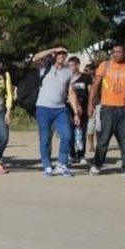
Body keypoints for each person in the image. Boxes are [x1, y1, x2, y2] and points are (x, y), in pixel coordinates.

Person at [88, 43, 125, 177]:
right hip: (107, 108)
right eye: (113, 52)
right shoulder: (105, 65)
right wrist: (90, 104)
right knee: (103, 139)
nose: (115, 54)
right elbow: (95, 86)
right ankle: (96, 165)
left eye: (119, 51)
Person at [32, 46, 82, 177]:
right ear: (55, 55)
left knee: (67, 135)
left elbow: (70, 92)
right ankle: (47, 165)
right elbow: (35, 57)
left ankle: (62, 164)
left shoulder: (68, 72)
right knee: (45, 138)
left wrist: (76, 111)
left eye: (64, 54)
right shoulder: (45, 67)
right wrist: (53, 49)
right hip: (43, 108)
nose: (61, 56)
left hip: (60, 109)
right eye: (59, 54)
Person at [68, 57, 92, 165]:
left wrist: (91, 105)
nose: (70, 67)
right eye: (68, 65)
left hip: (83, 108)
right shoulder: (67, 78)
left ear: (78, 65)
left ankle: (81, 154)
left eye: (72, 65)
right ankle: (72, 154)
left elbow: (91, 92)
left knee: (81, 131)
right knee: (69, 132)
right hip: (69, 108)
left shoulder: (86, 77)